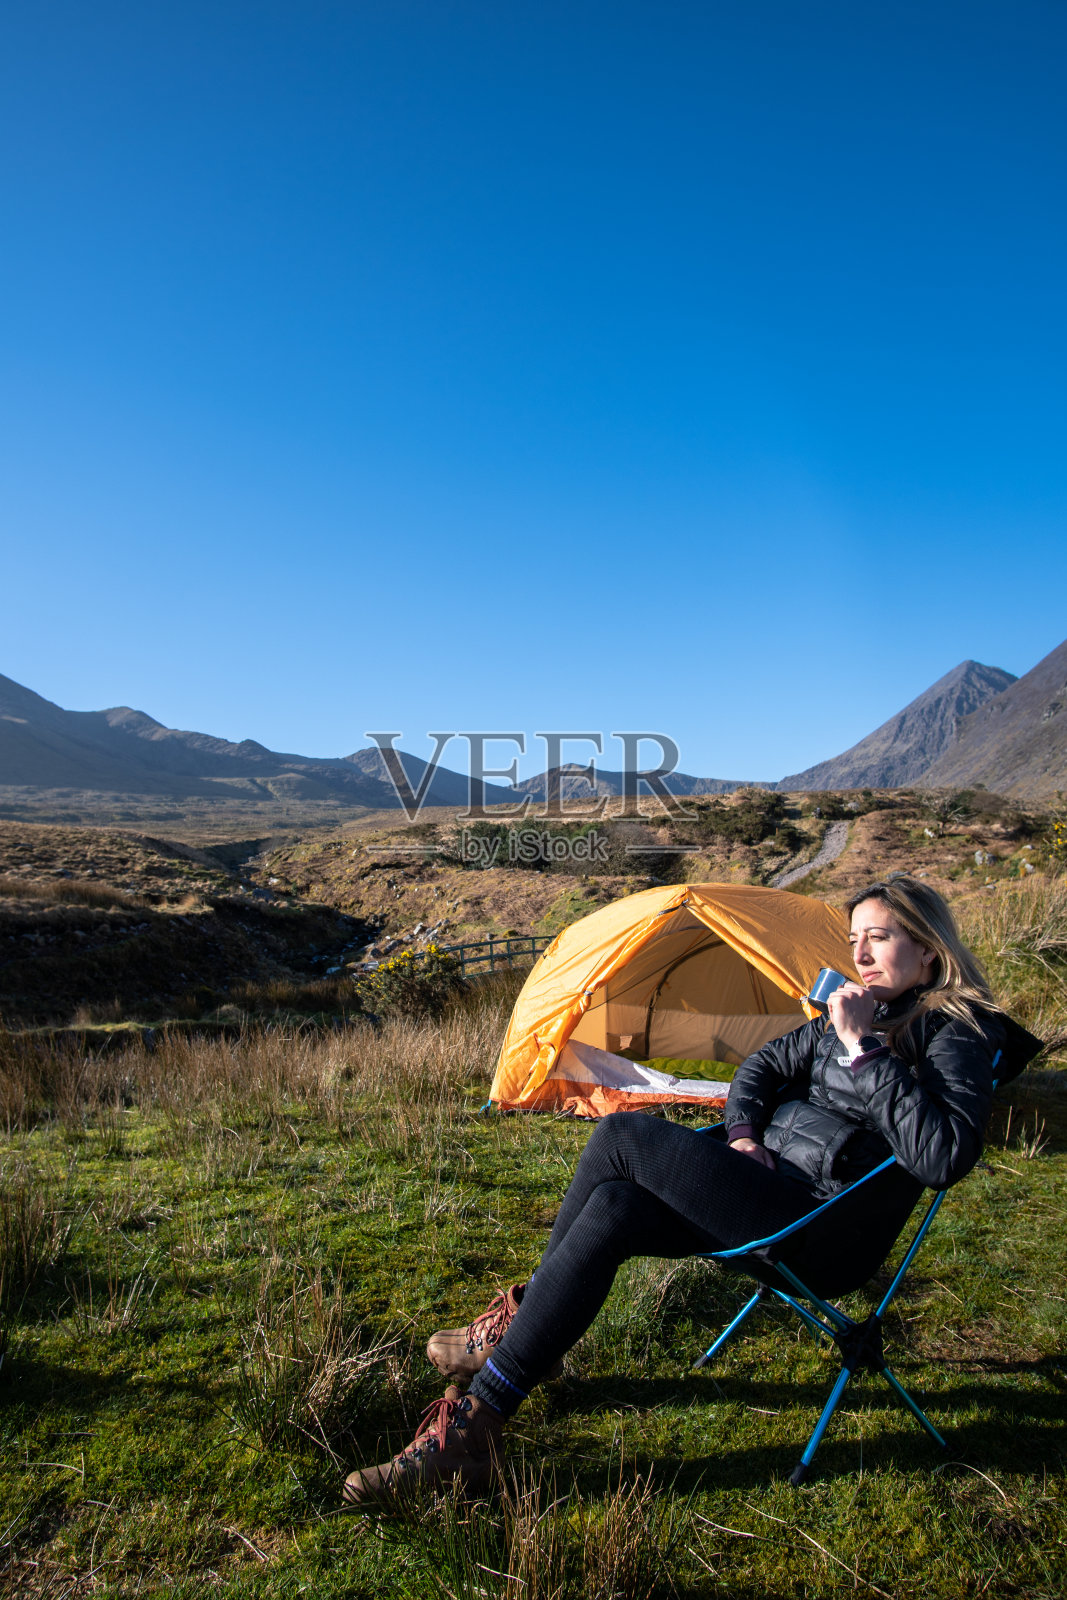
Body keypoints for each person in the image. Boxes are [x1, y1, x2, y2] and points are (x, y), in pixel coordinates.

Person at [342, 873, 1016, 1505]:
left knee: (622, 1137)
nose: (861, 953)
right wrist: (746, 1133)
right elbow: (758, 1067)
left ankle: (515, 1329)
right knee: (614, 1207)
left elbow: (943, 1158)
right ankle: (479, 1425)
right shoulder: (856, 1007)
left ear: (927, 950)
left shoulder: (953, 1030)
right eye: (853, 939)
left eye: (880, 937)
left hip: (823, 1232)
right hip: (761, 1190)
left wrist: (861, 1050)